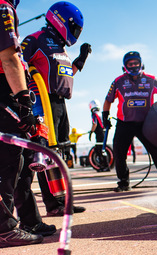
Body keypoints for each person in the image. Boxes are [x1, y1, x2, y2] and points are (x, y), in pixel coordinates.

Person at [21, 1, 89, 216]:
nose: (76, 33)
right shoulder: (36, 39)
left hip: (60, 104)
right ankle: (52, 205)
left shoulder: (60, 48)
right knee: (45, 154)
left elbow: (61, 78)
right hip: (42, 102)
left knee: (59, 152)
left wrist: (79, 61)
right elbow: (19, 64)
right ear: (62, 21)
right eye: (75, 28)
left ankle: (61, 201)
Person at [0, 0, 51, 247]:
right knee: (8, 160)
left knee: (17, 160)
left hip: (6, 88)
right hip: (3, 90)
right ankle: (4, 229)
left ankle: (22, 222)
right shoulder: (3, 7)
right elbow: (9, 58)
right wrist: (23, 101)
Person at [102, 51, 157, 192]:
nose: (134, 66)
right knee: (119, 153)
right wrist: (105, 115)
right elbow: (108, 100)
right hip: (124, 123)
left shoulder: (151, 79)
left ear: (141, 63)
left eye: (136, 63)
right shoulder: (118, 81)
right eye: (130, 64)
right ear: (125, 66)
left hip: (146, 123)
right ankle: (124, 183)